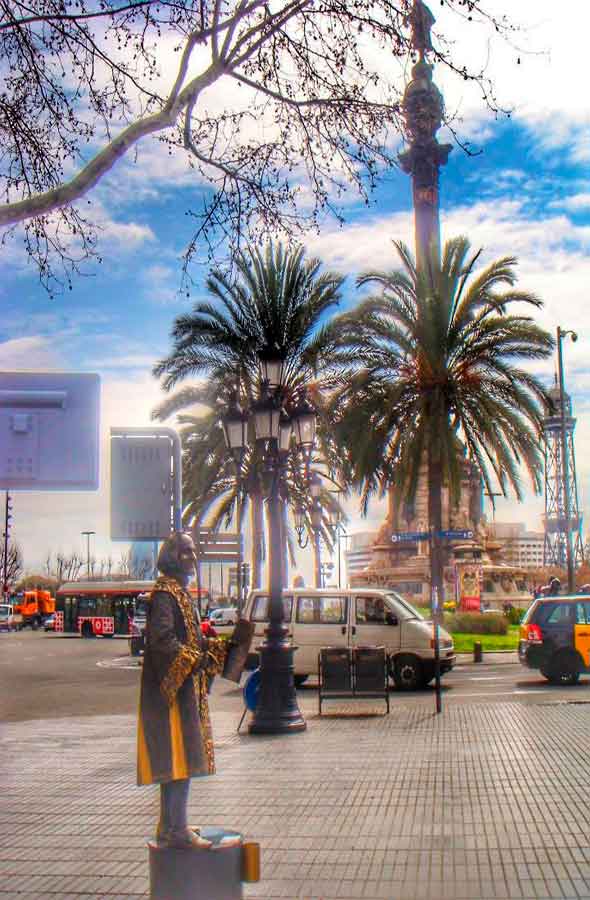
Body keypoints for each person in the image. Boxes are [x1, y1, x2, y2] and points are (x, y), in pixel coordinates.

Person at [136, 530, 231, 850]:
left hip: (182, 688)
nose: (193, 558)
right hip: (172, 692)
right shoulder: (165, 593)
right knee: (177, 758)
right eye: (187, 552)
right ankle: (175, 829)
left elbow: (188, 638)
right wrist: (194, 659)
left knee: (181, 758)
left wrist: (214, 649)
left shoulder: (178, 592)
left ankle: (172, 823)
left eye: (193, 552)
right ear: (173, 556)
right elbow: (162, 641)